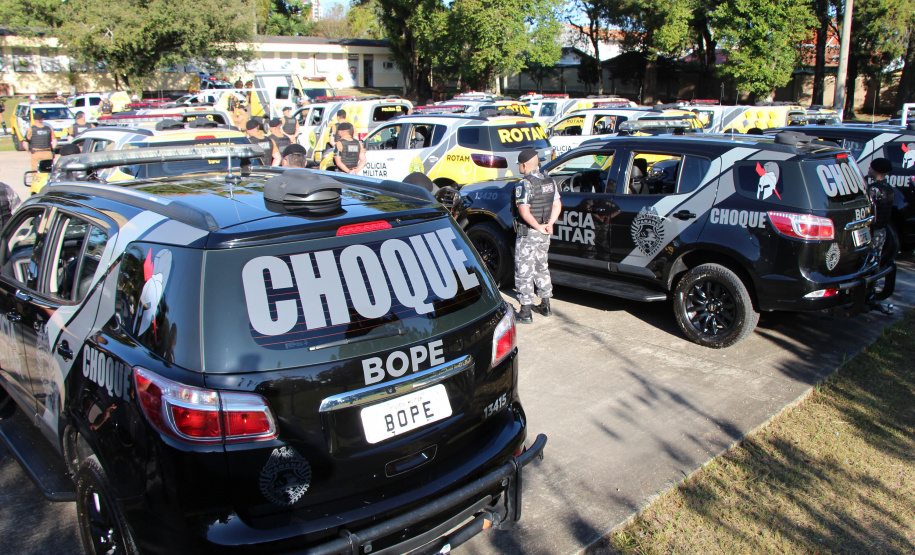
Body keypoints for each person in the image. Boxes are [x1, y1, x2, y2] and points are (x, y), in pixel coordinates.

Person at [513, 148, 561, 324]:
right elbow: (557, 205)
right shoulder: (549, 181)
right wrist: (549, 224)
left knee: (524, 269)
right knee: (542, 265)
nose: (519, 167)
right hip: (545, 232)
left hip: (529, 232)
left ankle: (525, 311)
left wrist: (538, 227)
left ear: (524, 164)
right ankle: (545, 303)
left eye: (519, 164)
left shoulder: (524, 184)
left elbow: (524, 212)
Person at [867, 157, 897, 268]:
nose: (868, 169)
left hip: (872, 230)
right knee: (876, 260)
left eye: (871, 167)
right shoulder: (889, 188)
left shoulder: (874, 190)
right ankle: (873, 282)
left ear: (876, 170)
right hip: (882, 230)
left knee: (868, 260)